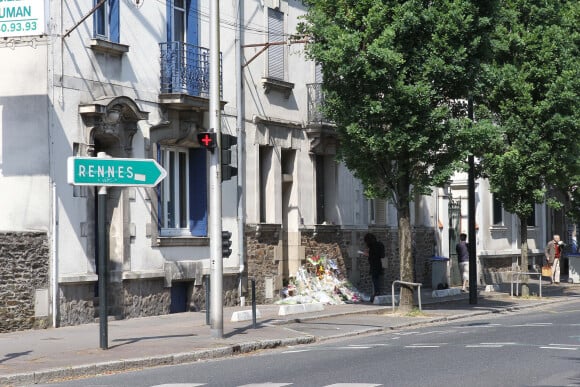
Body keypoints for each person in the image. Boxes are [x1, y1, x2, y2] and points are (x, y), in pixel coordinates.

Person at [363, 233, 384, 302]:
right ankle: (377, 293)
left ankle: (376, 294)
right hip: (379, 264)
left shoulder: (372, 246)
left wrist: (367, 254)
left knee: (375, 280)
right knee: (378, 279)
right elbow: (382, 255)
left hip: (374, 265)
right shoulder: (380, 244)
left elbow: (372, 256)